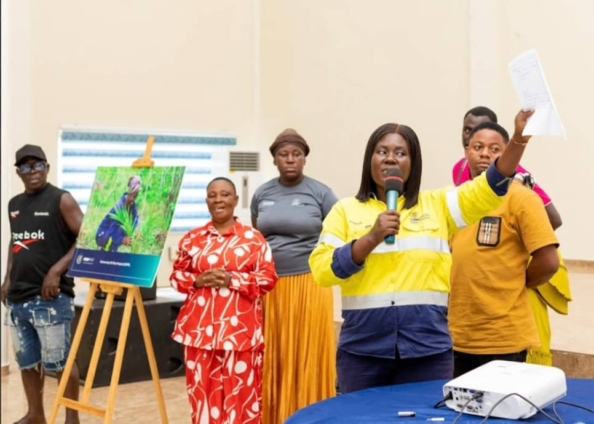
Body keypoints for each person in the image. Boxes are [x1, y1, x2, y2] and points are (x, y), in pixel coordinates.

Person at [309, 109, 536, 393]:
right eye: (382, 151)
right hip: (363, 352)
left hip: (426, 352)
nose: (391, 158)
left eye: (400, 153)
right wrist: (371, 238)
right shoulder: (344, 211)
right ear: (370, 159)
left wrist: (518, 140)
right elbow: (322, 271)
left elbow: (491, 184)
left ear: (413, 163)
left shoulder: (438, 205)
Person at [448, 121, 561, 376]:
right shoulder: (456, 200)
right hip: (459, 337)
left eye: (495, 149)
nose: (485, 154)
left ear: (507, 155)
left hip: (504, 338)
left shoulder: (522, 198)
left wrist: (517, 281)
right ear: (466, 152)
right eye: (478, 147)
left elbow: (548, 262)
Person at [170, 177, 278, 424]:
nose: (218, 200)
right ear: (206, 200)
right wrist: (196, 280)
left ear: (236, 200)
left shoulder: (254, 239)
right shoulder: (192, 239)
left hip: (241, 333)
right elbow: (176, 277)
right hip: (199, 334)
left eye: (225, 194)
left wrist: (233, 280)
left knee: (242, 396)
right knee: (202, 397)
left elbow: (268, 279)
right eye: (212, 195)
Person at [250, 129, 338, 424]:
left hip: (310, 283)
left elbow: (338, 234)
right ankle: (274, 415)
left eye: (296, 154)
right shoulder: (262, 193)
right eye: (283, 154)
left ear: (304, 158)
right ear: (274, 159)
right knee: (275, 350)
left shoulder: (321, 193)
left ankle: (310, 415)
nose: (290, 159)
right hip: (271, 285)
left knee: (307, 350)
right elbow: (257, 235)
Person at [1, 144, 83, 424]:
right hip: (18, 298)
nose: (32, 171)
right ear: (18, 172)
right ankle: (36, 414)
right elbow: (16, 241)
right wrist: (7, 277)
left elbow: (86, 238)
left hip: (51, 298)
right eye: (25, 166)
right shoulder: (14, 204)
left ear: (47, 167)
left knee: (60, 362)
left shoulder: (62, 199)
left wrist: (56, 271)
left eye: (37, 164)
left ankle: (72, 419)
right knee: (27, 361)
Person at [452, 106, 562, 229]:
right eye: (468, 130)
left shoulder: (515, 173)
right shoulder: (459, 168)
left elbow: (554, 220)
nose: (473, 135)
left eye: (482, 129)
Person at [95, 175, 141, 252]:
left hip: (113, 234)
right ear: (129, 192)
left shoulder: (132, 205)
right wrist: (122, 240)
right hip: (103, 235)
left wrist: (137, 228)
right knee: (120, 228)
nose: (133, 199)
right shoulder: (118, 207)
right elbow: (112, 231)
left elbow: (136, 218)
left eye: (135, 196)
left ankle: (112, 250)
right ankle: (103, 249)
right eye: (132, 195)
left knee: (125, 226)